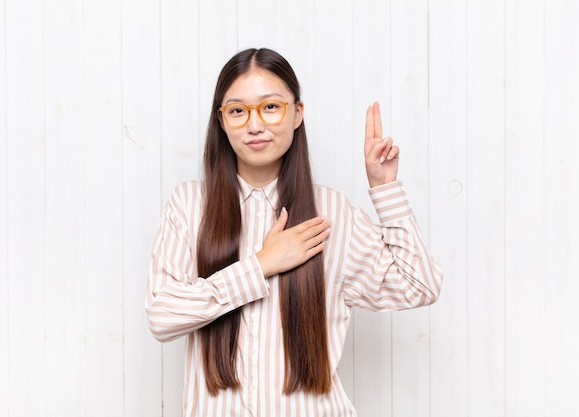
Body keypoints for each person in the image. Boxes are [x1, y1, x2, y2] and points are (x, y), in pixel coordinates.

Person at [145, 47, 443, 417]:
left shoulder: (331, 213)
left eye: (271, 107)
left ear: (297, 113)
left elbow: (419, 285)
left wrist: (385, 189)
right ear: (222, 122)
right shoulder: (190, 205)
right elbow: (162, 315)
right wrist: (260, 265)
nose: (255, 125)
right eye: (238, 111)